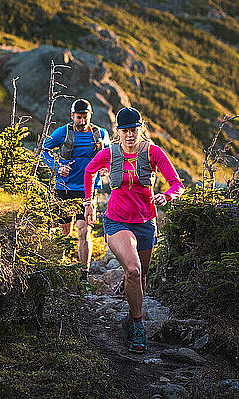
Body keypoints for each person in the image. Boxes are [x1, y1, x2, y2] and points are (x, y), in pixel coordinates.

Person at [83, 107, 184, 353]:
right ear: (118, 132)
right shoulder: (110, 153)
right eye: (125, 131)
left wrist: (167, 197)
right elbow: (89, 171)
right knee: (133, 269)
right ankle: (139, 326)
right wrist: (89, 202)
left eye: (134, 130)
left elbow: (177, 184)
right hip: (117, 221)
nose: (129, 135)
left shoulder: (153, 153)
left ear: (141, 129)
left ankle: (130, 317)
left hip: (146, 223)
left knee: (142, 277)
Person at [41, 99, 111, 280]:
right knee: (64, 230)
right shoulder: (62, 132)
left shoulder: (101, 134)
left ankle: (83, 274)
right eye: (78, 117)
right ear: (72, 116)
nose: (81, 121)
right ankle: (60, 268)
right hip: (63, 187)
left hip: (87, 189)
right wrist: (56, 167)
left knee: (83, 229)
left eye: (85, 117)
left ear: (90, 115)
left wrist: (106, 166)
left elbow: (111, 154)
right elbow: (44, 150)